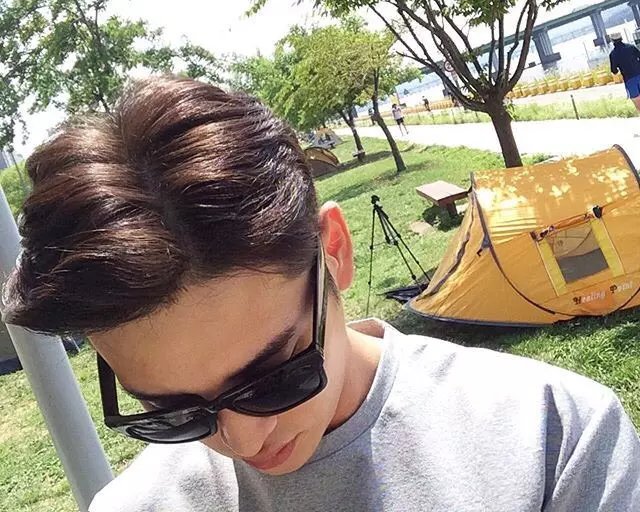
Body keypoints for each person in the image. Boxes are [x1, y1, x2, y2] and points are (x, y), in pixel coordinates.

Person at [3, 76, 640, 512]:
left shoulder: (551, 434)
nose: (242, 441)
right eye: (172, 412)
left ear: (333, 250)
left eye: (276, 378)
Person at [609, 31, 640, 123]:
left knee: (637, 101)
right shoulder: (631, 47)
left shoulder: (613, 54)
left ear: (612, 41)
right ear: (621, 38)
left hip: (629, 80)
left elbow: (614, 71)